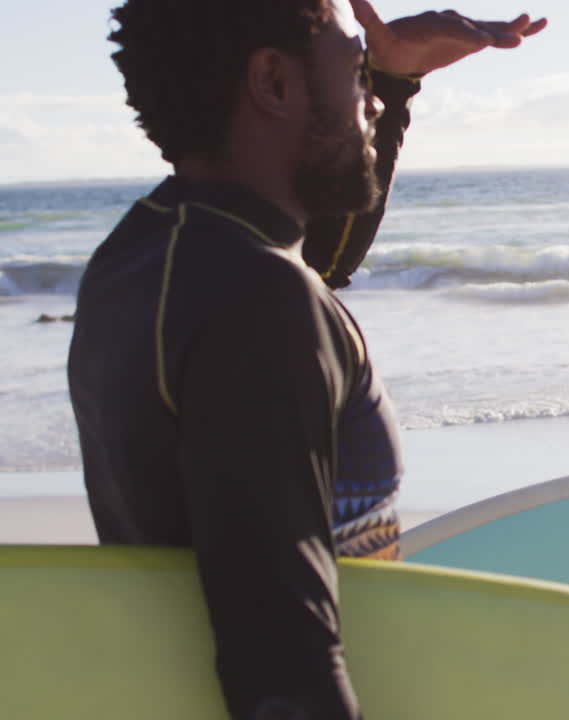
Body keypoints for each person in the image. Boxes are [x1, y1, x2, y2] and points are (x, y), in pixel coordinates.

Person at [67, 1, 544, 718]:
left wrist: (397, 81)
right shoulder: (259, 300)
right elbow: (284, 671)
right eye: (355, 69)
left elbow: (312, 256)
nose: (371, 98)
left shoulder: (141, 257)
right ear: (273, 81)